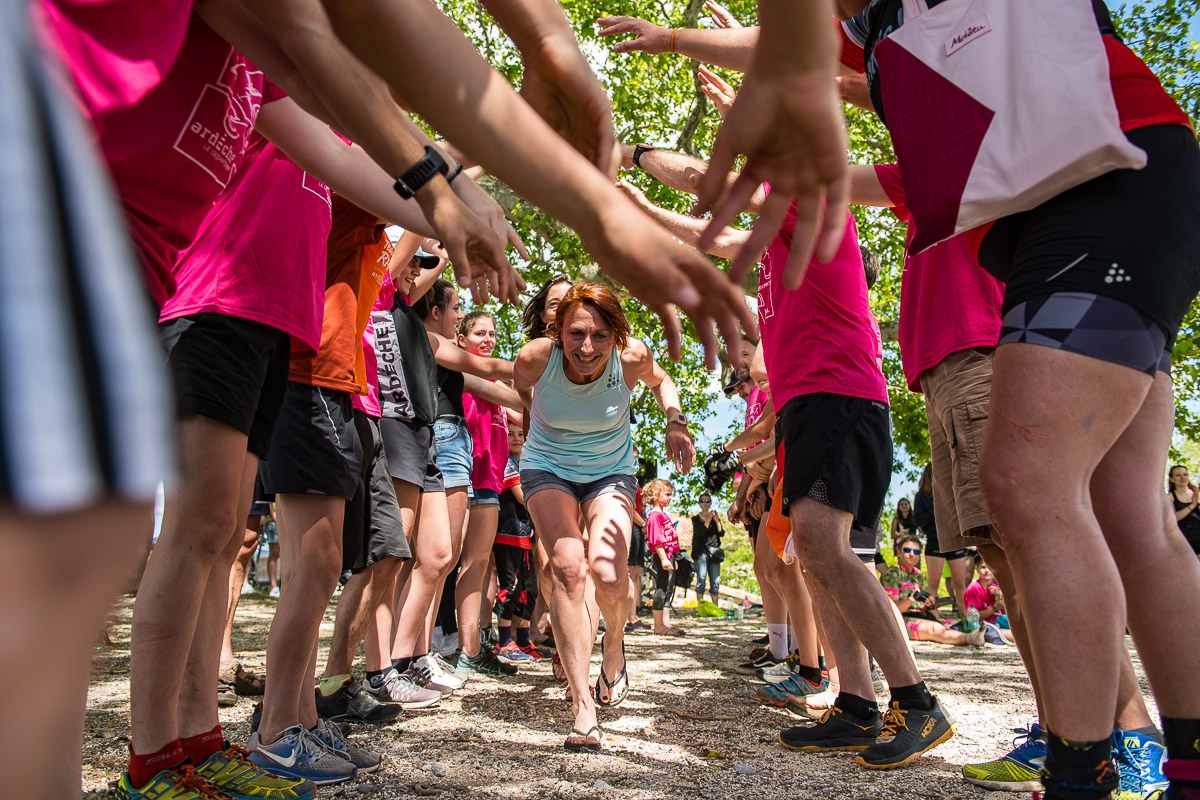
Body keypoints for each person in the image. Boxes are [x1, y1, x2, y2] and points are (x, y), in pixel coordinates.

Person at [513, 282, 696, 752]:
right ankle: (582, 708)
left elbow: (663, 382)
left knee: (610, 574)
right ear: (557, 331)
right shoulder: (536, 358)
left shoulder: (631, 357)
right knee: (570, 568)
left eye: (598, 335)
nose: (586, 348)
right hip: (547, 467)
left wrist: (675, 422)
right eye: (575, 334)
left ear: (615, 335)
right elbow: (520, 399)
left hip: (611, 471)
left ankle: (613, 643)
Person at [881, 536, 986, 648]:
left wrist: (930, 604)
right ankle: (971, 639)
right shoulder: (893, 574)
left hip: (918, 615)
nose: (912, 554)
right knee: (936, 629)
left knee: (951, 624)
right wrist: (912, 598)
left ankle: (974, 636)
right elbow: (891, 610)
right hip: (899, 621)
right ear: (898, 552)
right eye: (907, 550)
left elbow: (919, 605)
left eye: (916, 551)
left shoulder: (918, 575)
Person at [913, 465, 970, 619]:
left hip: (955, 540)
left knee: (960, 582)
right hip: (934, 541)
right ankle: (934, 618)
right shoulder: (921, 497)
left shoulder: (952, 495)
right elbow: (918, 520)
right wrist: (937, 507)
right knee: (933, 583)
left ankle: (966, 619)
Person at [645, 479, 684, 636]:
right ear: (655, 495)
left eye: (670, 495)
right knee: (661, 589)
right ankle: (658, 626)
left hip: (669, 555)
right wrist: (663, 559)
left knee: (668, 589)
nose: (669, 498)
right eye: (666, 494)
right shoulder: (654, 516)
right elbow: (657, 540)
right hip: (662, 556)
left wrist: (672, 557)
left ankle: (665, 623)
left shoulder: (662, 514)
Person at [691, 493, 725, 605]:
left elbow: (721, 533)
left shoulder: (714, 518)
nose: (705, 503)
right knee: (701, 577)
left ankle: (715, 605)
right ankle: (701, 605)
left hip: (714, 552)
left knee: (715, 580)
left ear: (710, 503)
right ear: (699, 503)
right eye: (702, 501)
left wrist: (716, 520)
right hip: (701, 552)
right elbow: (700, 533)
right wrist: (708, 519)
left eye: (707, 501)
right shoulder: (696, 519)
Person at [1169, 465, 1200, 556]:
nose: (1182, 477)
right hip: (1186, 538)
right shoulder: (1170, 497)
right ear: (1172, 479)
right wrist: (1192, 505)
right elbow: (1173, 518)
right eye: (1178, 475)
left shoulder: (1197, 493)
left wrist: (1197, 502)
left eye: (1185, 474)